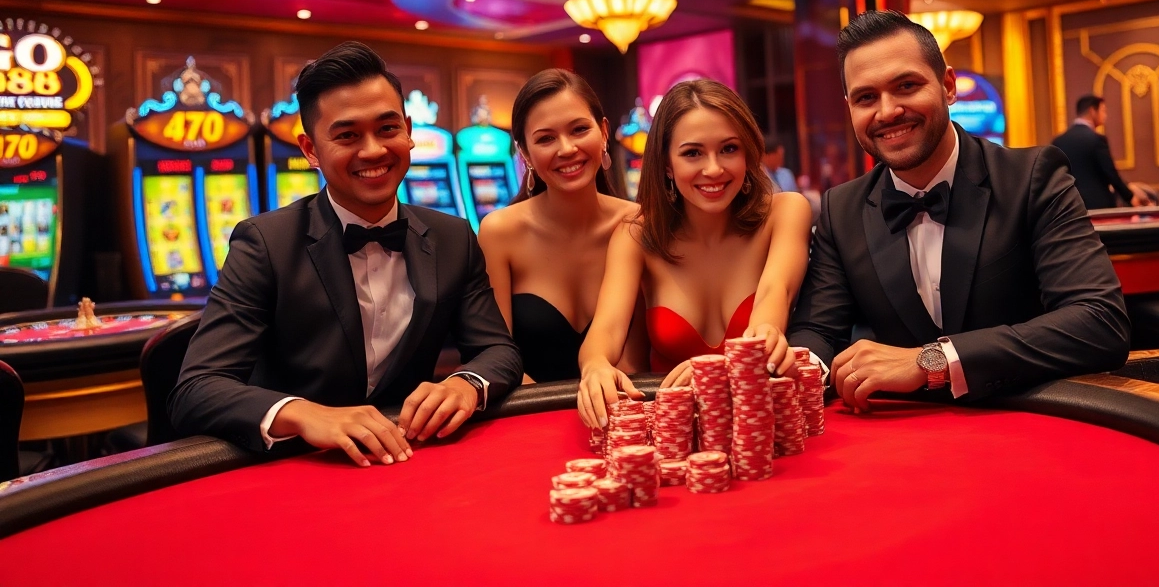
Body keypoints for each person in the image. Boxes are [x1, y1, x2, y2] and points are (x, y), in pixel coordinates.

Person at [169, 42, 523, 466]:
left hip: (407, 458)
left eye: (387, 129)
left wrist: (465, 384)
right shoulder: (265, 243)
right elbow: (196, 389)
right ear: (310, 149)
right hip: (298, 466)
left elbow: (499, 351)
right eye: (347, 135)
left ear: (408, 130)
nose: (373, 150)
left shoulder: (453, 236)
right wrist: (304, 415)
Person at [787, 10, 1129, 408]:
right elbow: (818, 330)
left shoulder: (1032, 177)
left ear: (948, 85)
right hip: (903, 438)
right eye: (866, 97)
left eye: (907, 86)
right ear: (849, 107)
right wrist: (800, 371)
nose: (887, 111)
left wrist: (932, 361)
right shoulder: (840, 208)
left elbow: (1099, 321)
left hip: (1029, 417)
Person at [576, 80, 813, 427]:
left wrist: (713, 370)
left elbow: (771, 300)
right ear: (667, 165)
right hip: (673, 431)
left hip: (757, 426)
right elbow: (606, 330)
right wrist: (595, 364)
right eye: (692, 153)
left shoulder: (785, 212)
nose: (714, 169)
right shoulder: (637, 234)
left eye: (729, 149)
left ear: (747, 153)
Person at [478, 69, 643, 383]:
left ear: (604, 132)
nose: (566, 148)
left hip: (620, 412)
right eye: (546, 138)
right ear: (525, 152)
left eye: (579, 129)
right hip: (527, 415)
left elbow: (635, 362)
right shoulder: (499, 232)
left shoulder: (638, 224)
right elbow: (494, 355)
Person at [1050, 95, 1151, 209]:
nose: (1105, 116)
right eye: (1103, 111)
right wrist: (1129, 197)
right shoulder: (1096, 139)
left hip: (1070, 206)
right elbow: (1110, 174)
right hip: (1098, 205)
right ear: (1092, 111)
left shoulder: (1058, 141)